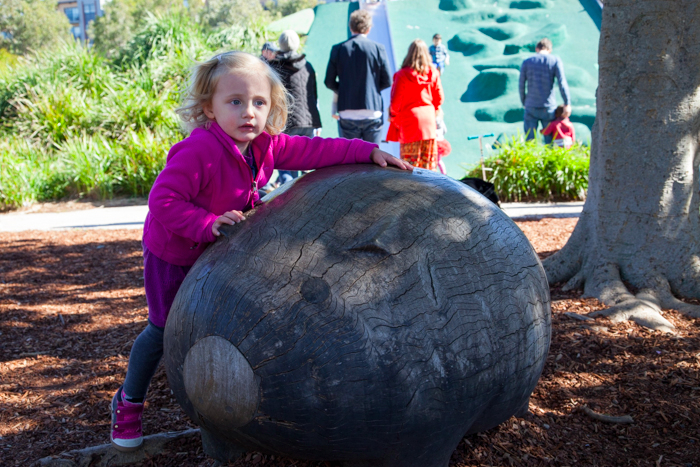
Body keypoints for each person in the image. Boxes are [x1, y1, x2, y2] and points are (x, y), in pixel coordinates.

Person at [108, 51, 411, 452]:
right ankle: (129, 402)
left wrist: (365, 151)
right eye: (234, 102)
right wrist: (205, 223)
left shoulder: (265, 144)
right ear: (209, 109)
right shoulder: (200, 150)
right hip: (175, 251)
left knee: (218, 319)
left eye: (259, 102)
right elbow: (163, 199)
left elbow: (314, 151)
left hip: (220, 247)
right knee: (164, 330)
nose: (248, 112)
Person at [324, 9, 391, 143]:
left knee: (349, 157)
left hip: (347, 111)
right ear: (369, 29)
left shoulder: (338, 49)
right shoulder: (378, 48)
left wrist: (344, 90)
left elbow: (329, 81)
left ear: (350, 27)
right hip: (373, 111)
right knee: (373, 157)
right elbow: (387, 80)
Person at [271, 29, 323, 185]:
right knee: (308, 167)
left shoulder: (274, 68)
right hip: (308, 121)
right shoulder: (308, 66)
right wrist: (317, 122)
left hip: (286, 123)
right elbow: (314, 95)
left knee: (287, 169)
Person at [386, 39, 444, 171]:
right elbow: (439, 98)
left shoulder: (402, 75)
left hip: (409, 125)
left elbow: (395, 104)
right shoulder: (433, 73)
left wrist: (394, 118)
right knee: (429, 168)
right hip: (429, 125)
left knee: (410, 170)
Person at [519, 38, 571, 142]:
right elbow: (562, 82)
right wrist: (567, 103)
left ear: (536, 49)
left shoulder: (527, 62)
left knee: (530, 140)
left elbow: (521, 84)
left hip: (530, 105)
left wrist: (524, 101)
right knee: (550, 141)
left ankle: (531, 158)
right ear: (549, 50)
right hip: (548, 107)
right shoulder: (555, 60)